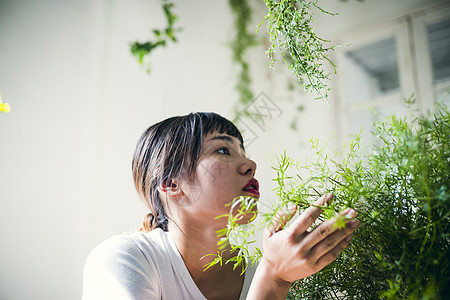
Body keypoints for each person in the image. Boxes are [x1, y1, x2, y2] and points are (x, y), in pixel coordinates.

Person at [82, 112, 359, 299]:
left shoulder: (265, 270)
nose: (251, 164)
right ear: (171, 184)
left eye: (244, 152)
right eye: (223, 150)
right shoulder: (124, 259)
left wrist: (277, 273)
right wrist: (274, 279)